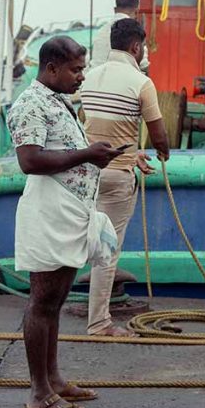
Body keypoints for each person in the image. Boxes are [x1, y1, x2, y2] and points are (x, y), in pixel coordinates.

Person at [8, 36, 127, 408]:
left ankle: (54, 379)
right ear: (52, 68)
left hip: (69, 211)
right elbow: (30, 160)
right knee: (42, 302)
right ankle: (39, 393)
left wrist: (95, 156)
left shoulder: (58, 101)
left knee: (56, 301)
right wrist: (87, 154)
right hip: (49, 214)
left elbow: (59, 152)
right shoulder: (31, 103)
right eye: (76, 69)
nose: (82, 75)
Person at [79, 18, 171, 336]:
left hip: (86, 174)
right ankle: (99, 323)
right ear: (136, 47)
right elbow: (159, 136)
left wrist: (133, 153)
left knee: (81, 243)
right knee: (108, 249)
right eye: (142, 46)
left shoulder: (89, 78)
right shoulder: (141, 82)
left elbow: (87, 129)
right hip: (117, 178)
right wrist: (162, 152)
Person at [90, 0, 149, 71]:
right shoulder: (134, 31)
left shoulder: (101, 31)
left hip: (96, 77)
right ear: (136, 11)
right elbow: (143, 64)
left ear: (115, 9)